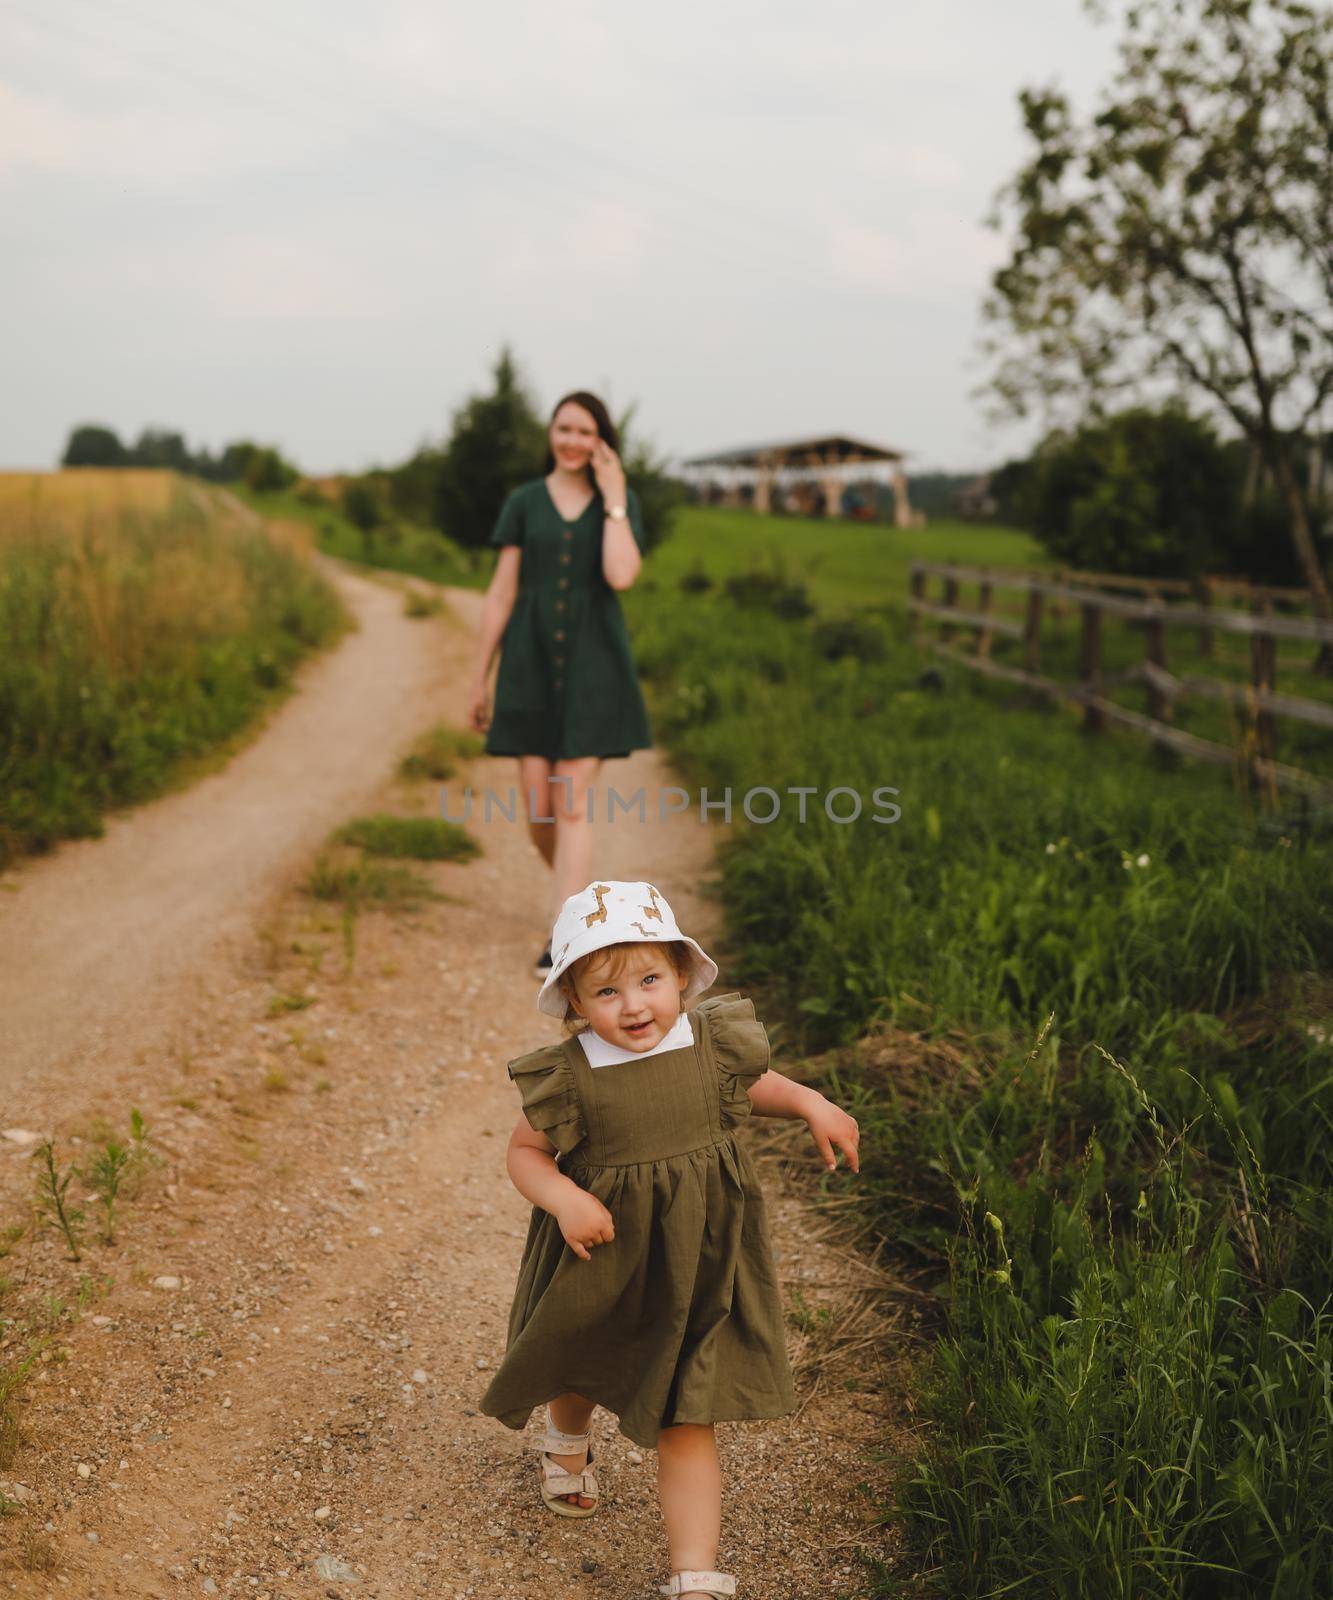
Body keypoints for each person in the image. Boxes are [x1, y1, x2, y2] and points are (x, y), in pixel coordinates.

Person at [479, 880, 861, 1600]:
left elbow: (755, 1088)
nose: (633, 1005)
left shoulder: (710, 1042)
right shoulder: (571, 1073)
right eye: (606, 992)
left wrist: (810, 1102)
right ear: (575, 1005)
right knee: (582, 1360)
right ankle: (565, 1437)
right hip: (606, 1251)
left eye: (649, 980)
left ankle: (695, 1572)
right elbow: (525, 1153)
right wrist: (564, 1198)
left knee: (690, 1407)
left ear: (682, 974)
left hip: (699, 1262)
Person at [466, 394, 654, 979]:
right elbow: (500, 593)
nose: (572, 439)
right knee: (538, 810)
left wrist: (616, 497)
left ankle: (564, 938)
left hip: (595, 668)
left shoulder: (617, 504)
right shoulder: (523, 502)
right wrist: (480, 676)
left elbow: (621, 574)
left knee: (571, 801)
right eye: (564, 428)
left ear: (602, 441)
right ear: (551, 431)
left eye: (585, 431)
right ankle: (582, 896)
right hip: (528, 664)